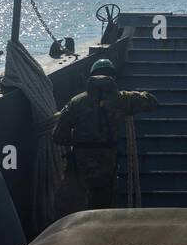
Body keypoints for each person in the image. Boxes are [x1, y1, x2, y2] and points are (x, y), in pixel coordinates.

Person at [53, 59, 158, 210]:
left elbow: (58, 136)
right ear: (113, 78)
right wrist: (137, 95)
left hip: (79, 162)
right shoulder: (123, 99)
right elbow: (152, 102)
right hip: (107, 162)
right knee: (104, 203)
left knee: (75, 203)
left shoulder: (76, 102)